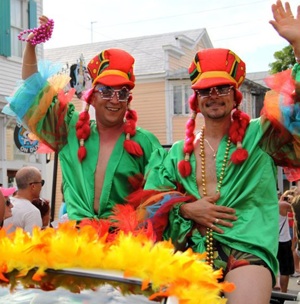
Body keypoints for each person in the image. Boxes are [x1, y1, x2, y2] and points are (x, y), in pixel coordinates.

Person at [130, 1, 300, 303]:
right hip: (192, 250)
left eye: (221, 88)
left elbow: (296, 108)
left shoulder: (260, 134)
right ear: (195, 100)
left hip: (247, 248)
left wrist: (298, 45)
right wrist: (185, 208)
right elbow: (148, 204)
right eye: (205, 90)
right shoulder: (176, 154)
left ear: (234, 95)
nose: (214, 96)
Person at [2, 17, 162, 222]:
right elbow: (34, 92)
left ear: (128, 99)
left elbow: (160, 197)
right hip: (78, 243)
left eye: (122, 93)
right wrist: (31, 46)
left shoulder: (146, 142)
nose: (114, 99)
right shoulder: (70, 129)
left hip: (124, 247)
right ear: (92, 97)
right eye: (106, 91)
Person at [3, 166, 43, 233]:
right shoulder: (32, 212)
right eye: (41, 183)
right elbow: (33, 242)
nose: (41, 186)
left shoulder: (5, 204)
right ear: (33, 186)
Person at [277, 191, 295, 292]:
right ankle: (283, 292)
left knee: (269, 268)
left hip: (270, 241)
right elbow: (295, 206)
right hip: (283, 240)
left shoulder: (265, 206)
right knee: (285, 270)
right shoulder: (283, 205)